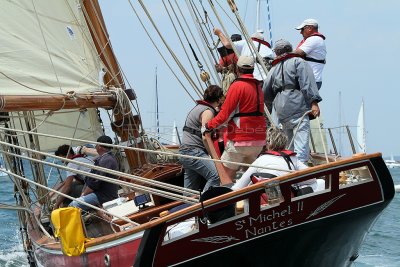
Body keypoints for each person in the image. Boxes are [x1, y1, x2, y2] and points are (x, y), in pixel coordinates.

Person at [204, 56, 266, 182]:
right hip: (258, 141)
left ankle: (228, 201)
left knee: (224, 175)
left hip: (240, 140)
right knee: (251, 177)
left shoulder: (237, 86)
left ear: (238, 69)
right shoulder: (258, 87)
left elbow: (224, 114)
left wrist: (208, 126)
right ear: (253, 70)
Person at [263, 39, 322, 163]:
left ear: (277, 52)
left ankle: (289, 168)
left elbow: (266, 92)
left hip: (282, 112)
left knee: (288, 146)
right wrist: (314, 102)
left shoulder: (273, 69)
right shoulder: (299, 62)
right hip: (298, 108)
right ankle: (301, 172)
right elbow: (307, 83)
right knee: (301, 146)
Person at [232, 128, 317, 192]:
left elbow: (238, 187)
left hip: (264, 201)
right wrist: (295, 183)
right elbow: (312, 178)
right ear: (285, 142)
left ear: (269, 143)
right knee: (318, 183)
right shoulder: (292, 158)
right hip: (287, 198)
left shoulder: (260, 160)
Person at [179, 85, 224, 192]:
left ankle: (191, 207)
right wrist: (215, 158)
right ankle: (204, 203)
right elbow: (205, 137)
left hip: (185, 152)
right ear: (218, 100)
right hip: (194, 152)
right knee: (216, 176)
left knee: (190, 192)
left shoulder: (198, 108)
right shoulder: (208, 112)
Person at [69, 135, 119, 211]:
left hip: (104, 195)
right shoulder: (105, 158)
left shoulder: (105, 160)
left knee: (73, 205)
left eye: (96, 145)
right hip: (103, 193)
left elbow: (95, 182)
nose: (95, 146)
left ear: (99, 147)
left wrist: (83, 195)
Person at [53, 144, 95, 209]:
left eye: (62, 158)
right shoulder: (82, 158)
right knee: (72, 185)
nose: (62, 161)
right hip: (97, 184)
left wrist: (57, 204)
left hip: (94, 188)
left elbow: (67, 187)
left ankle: (65, 209)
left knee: (69, 190)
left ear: (68, 154)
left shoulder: (71, 164)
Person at [294, 19, 327, 90]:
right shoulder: (317, 39)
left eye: (302, 29)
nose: (300, 32)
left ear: (310, 28)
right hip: (312, 81)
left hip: (310, 81)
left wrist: (282, 55)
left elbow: (298, 53)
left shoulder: (314, 39)